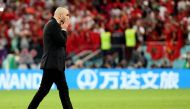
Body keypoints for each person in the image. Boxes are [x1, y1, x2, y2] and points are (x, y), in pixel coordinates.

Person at [28, 7, 73, 109]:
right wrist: (64, 28)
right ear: (60, 15)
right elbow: (62, 42)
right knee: (57, 91)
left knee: (53, 91)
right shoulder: (53, 25)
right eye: (67, 15)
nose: (68, 17)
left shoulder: (53, 25)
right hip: (53, 64)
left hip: (54, 64)